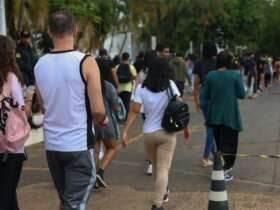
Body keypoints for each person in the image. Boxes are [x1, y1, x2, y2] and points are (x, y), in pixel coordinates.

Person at [35, 11, 107, 210]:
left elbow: (43, 105)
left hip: (52, 147)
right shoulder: (86, 62)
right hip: (78, 146)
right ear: (75, 30)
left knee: (66, 201)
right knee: (74, 204)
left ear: (49, 32)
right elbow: (98, 110)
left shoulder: (40, 65)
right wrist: (103, 119)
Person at [122, 58, 186, 210]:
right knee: (163, 168)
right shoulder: (170, 85)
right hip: (167, 132)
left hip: (149, 133)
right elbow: (180, 106)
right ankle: (157, 204)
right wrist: (185, 125)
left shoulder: (142, 88)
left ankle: (163, 193)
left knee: (157, 167)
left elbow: (134, 110)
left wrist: (125, 131)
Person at [0, 35, 33, 210]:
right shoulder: (11, 78)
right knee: (6, 195)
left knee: (8, 195)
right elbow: (22, 113)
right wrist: (29, 99)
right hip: (11, 147)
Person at [204, 51, 245, 182]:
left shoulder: (211, 75)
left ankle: (220, 169)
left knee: (220, 144)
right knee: (231, 145)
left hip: (214, 116)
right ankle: (225, 171)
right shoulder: (235, 75)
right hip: (230, 117)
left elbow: (206, 94)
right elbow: (241, 94)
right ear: (229, 62)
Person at [94, 58, 120, 189]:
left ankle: (93, 178)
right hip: (105, 121)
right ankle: (100, 172)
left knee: (95, 149)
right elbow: (116, 107)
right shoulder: (108, 86)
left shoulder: (87, 85)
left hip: (91, 121)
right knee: (112, 147)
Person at [193, 42, 217, 167]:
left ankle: (213, 153)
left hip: (203, 94)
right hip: (214, 95)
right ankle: (205, 157)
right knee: (211, 127)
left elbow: (196, 83)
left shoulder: (198, 63)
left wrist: (196, 100)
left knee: (209, 126)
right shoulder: (217, 63)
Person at [117, 52, 137, 119]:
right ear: (128, 58)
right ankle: (125, 118)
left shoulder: (117, 66)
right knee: (126, 103)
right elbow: (135, 76)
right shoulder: (131, 67)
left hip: (119, 88)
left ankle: (120, 116)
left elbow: (115, 77)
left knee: (120, 103)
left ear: (122, 58)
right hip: (128, 88)